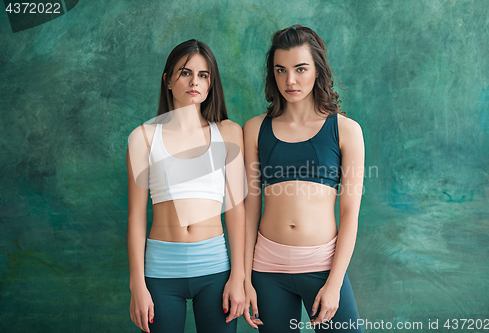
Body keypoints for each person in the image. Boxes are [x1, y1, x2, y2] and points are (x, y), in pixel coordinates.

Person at [243, 25, 365, 332]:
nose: (290, 80)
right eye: (281, 70)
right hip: (267, 268)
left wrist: (335, 283)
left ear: (318, 70)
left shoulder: (346, 130)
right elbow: (250, 209)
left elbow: (350, 213)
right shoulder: (255, 129)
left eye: (300, 69)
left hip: (323, 266)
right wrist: (245, 278)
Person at [126, 39, 245, 333]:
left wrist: (238, 277)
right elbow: (136, 217)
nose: (195, 82)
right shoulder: (142, 137)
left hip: (215, 270)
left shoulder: (229, 132)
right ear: (168, 81)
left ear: (210, 83)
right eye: (185, 72)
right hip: (160, 272)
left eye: (203, 75)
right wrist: (137, 284)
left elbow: (236, 211)